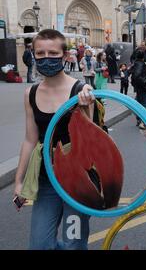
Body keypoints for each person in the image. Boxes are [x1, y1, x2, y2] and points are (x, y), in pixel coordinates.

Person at [13, 29, 95, 250]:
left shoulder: (81, 90)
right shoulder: (30, 93)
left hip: (77, 183)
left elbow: (93, 139)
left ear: (65, 55)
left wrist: (86, 108)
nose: (46, 58)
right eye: (40, 53)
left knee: (74, 244)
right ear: (33, 55)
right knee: (40, 245)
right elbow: (30, 140)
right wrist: (19, 181)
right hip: (46, 180)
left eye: (52, 53)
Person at [130, 50, 146, 128]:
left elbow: (131, 72)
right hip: (141, 87)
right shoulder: (140, 64)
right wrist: (145, 82)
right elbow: (137, 76)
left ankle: (139, 119)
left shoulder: (136, 63)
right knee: (142, 103)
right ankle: (141, 120)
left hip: (139, 86)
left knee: (139, 102)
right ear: (143, 57)